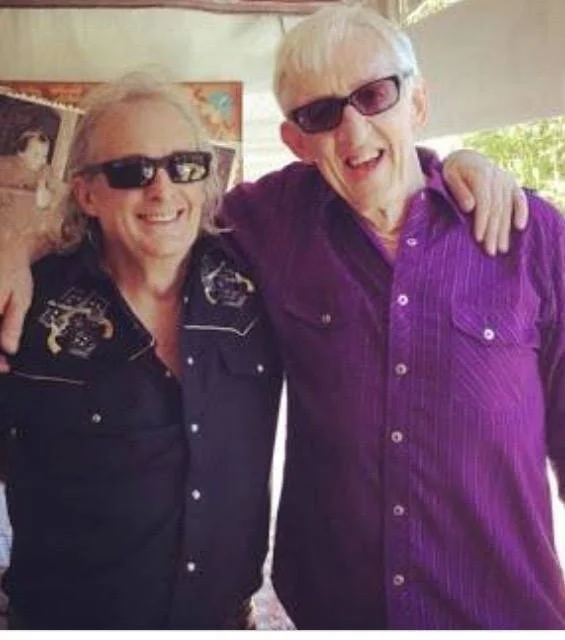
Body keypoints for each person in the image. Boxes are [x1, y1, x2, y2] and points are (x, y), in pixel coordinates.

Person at [212, 4, 565, 629]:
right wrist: (30, 242)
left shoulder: (528, 234)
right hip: (338, 612)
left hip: (501, 611)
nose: (353, 132)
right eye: (321, 113)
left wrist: (468, 161)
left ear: (418, 102)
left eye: (374, 96)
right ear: (296, 140)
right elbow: (157, 209)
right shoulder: (272, 223)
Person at [0, 74, 283, 629]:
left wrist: (452, 170)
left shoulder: (259, 278)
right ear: (86, 194)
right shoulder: (22, 306)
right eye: (132, 172)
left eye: (184, 166)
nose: (162, 190)